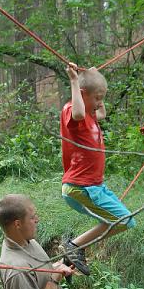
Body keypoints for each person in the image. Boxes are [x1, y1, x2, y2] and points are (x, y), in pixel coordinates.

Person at [60, 63, 136, 275]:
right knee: (123, 220)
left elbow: (100, 112)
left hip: (94, 187)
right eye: (97, 98)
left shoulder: (92, 117)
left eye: (102, 97)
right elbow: (77, 113)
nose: (100, 103)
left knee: (123, 221)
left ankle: (71, 253)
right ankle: (74, 246)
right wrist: (75, 81)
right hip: (80, 187)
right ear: (82, 95)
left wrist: (95, 76)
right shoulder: (72, 112)